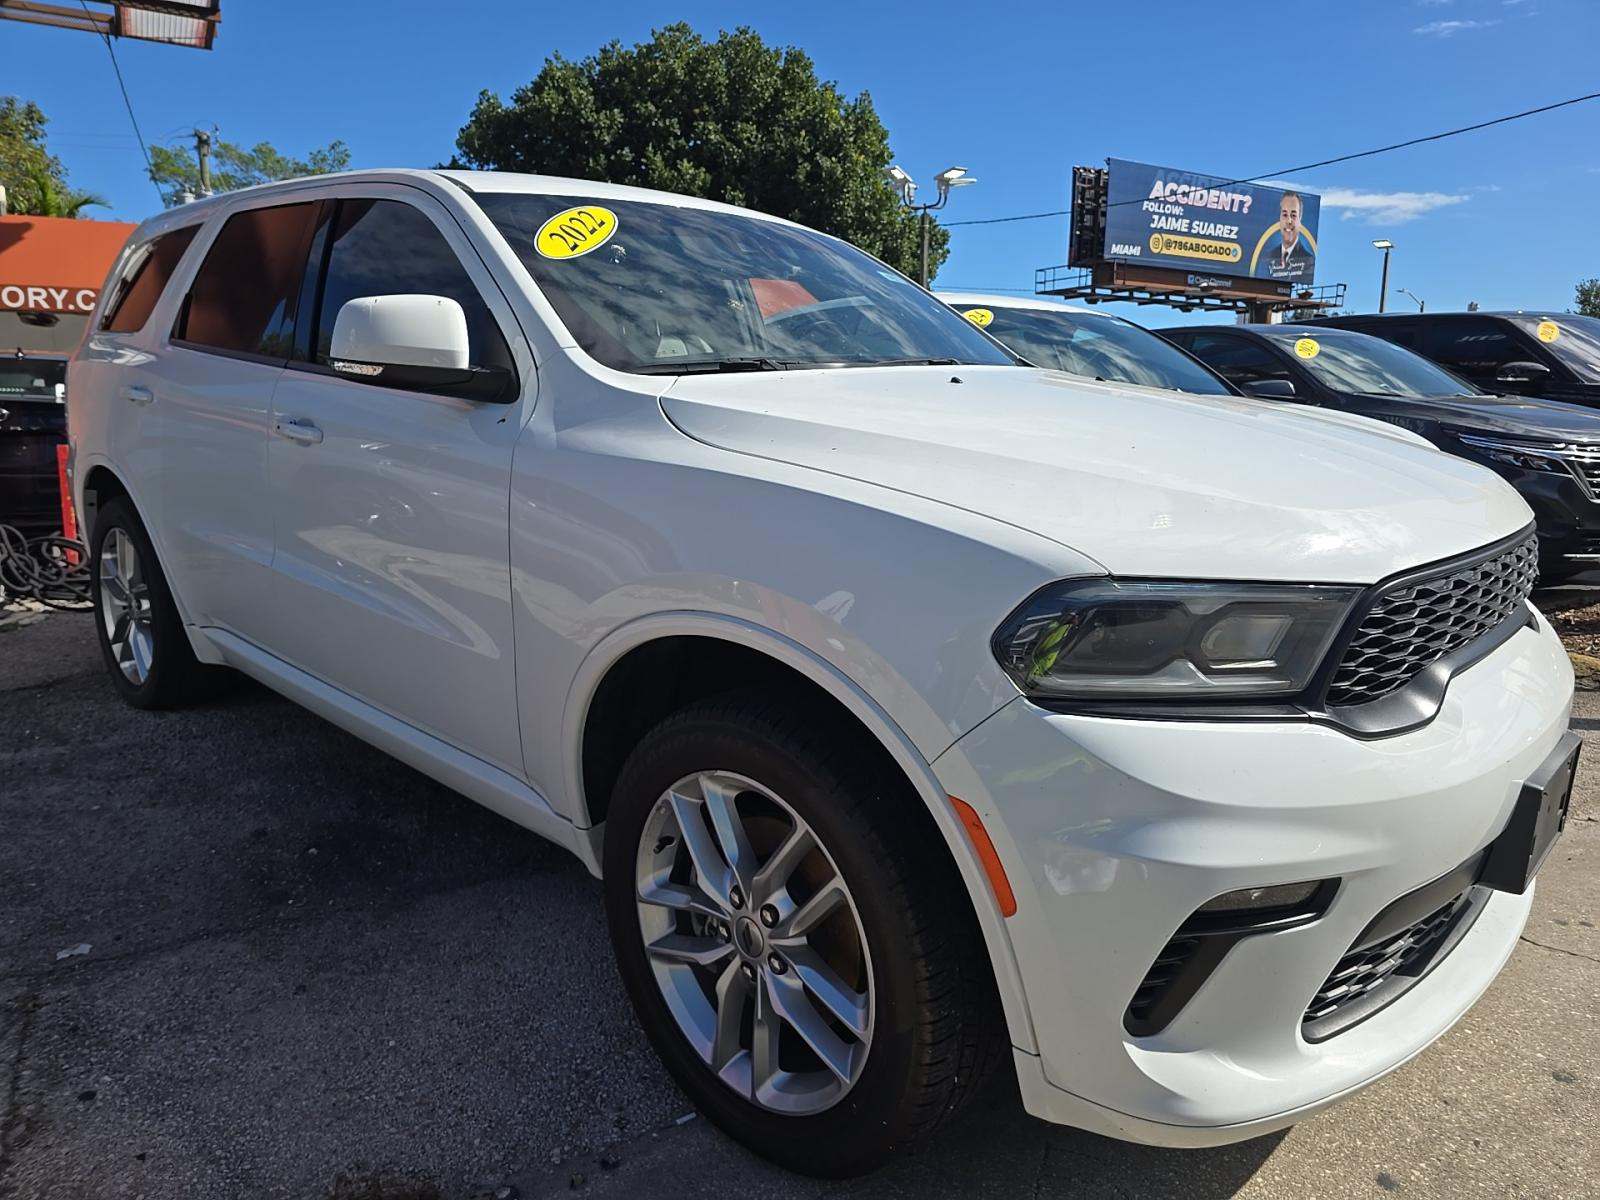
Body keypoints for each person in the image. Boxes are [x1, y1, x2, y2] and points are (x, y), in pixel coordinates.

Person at [1258, 191, 1313, 280]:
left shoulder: (1309, 261)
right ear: (1279, 218)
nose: (1289, 221)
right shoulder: (1266, 258)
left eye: (1293, 215)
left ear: (1300, 219)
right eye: (1285, 215)